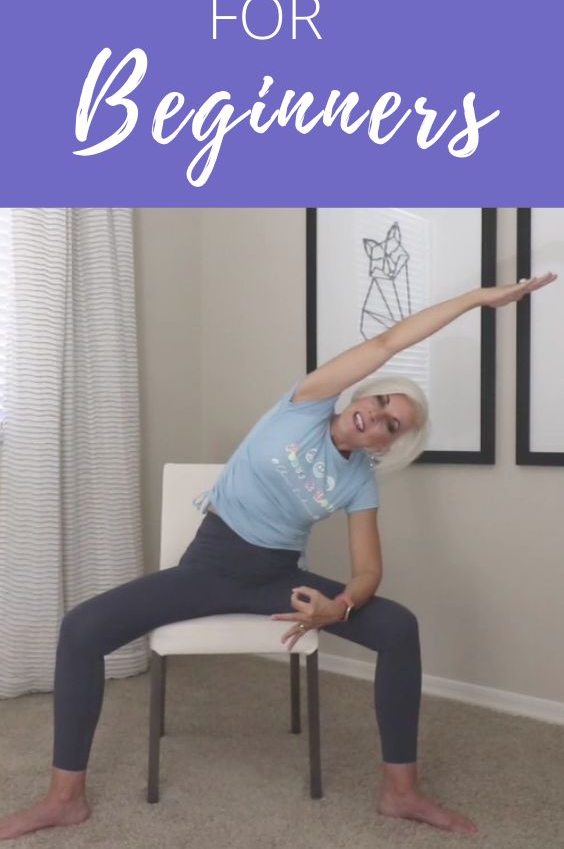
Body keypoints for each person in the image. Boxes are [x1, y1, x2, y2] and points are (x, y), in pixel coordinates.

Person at [0, 273, 557, 841]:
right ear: (364, 393)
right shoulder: (306, 404)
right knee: (81, 629)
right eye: (382, 400)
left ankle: (400, 792)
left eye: (393, 425)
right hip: (208, 567)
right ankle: (63, 799)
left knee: (398, 627)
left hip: (278, 580)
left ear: (386, 446)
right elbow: (388, 343)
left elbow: (368, 572)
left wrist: (335, 608)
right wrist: (477, 299)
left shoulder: (360, 481)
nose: (378, 416)